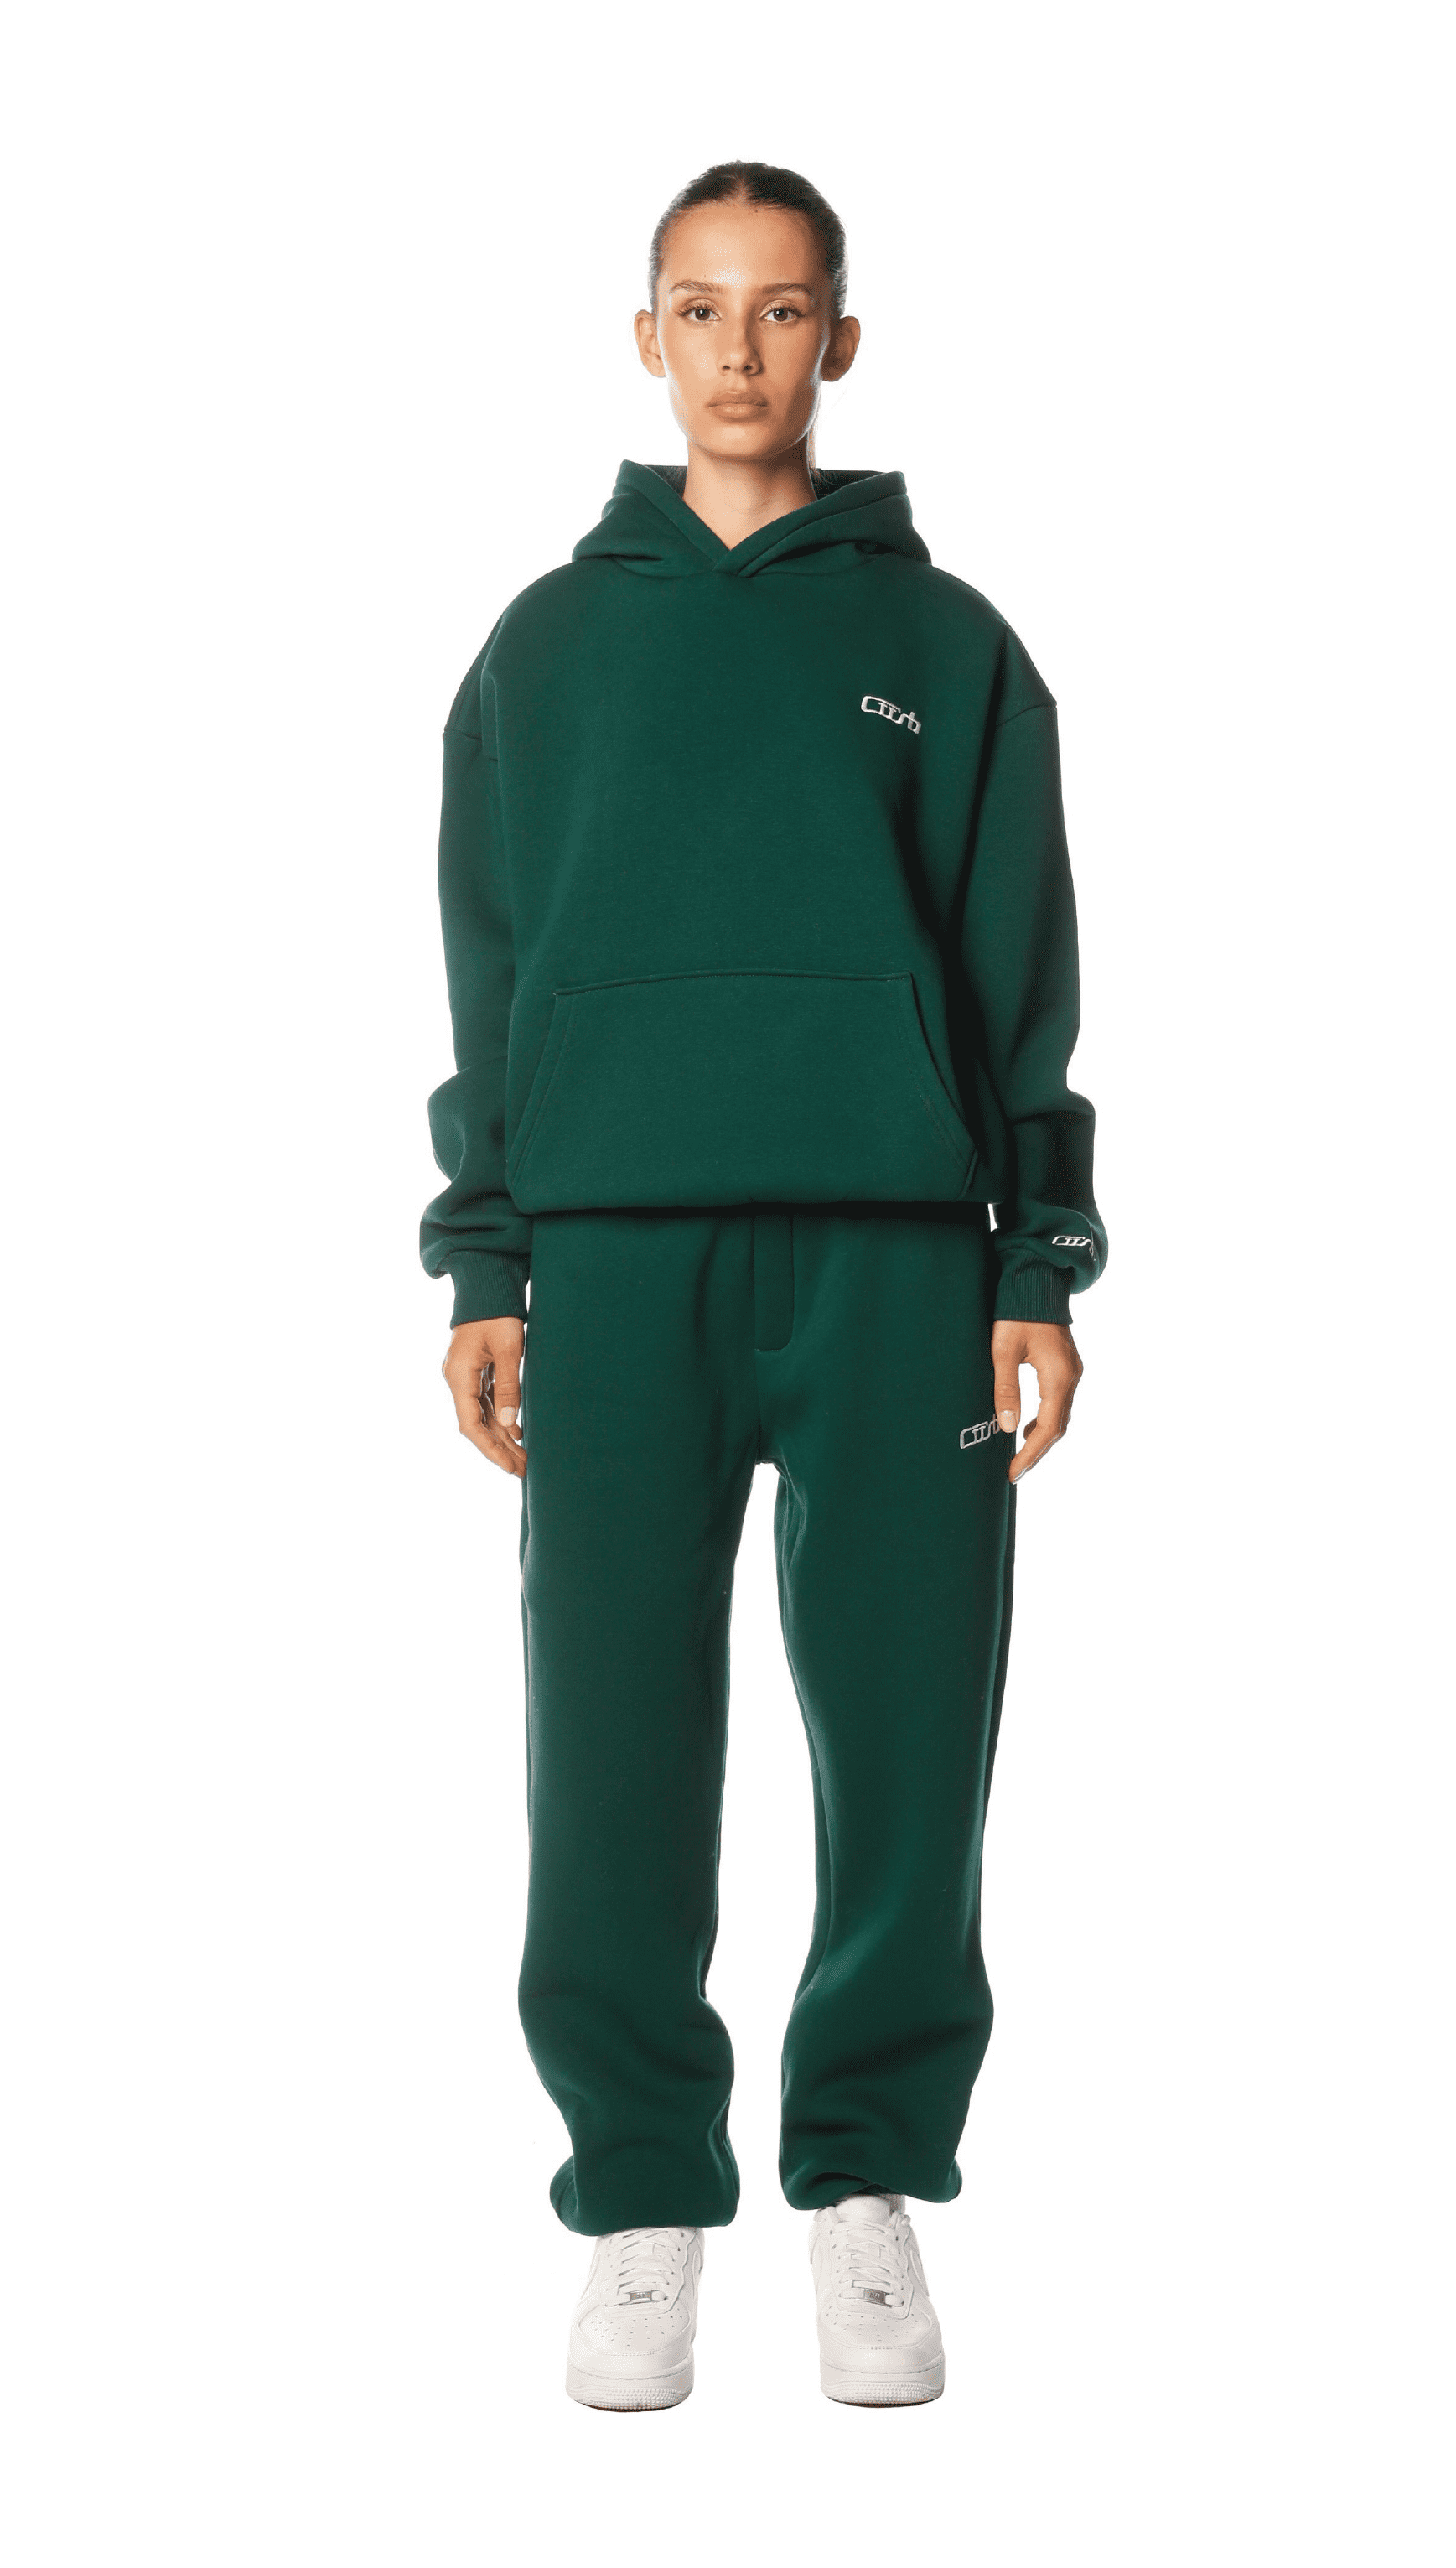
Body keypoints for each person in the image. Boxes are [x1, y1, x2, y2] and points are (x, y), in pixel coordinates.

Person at [420, 160, 1103, 2410]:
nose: (739, 350)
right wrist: (487, 1254)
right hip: (618, 1253)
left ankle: (866, 2176)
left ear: (841, 340)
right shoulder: (545, 647)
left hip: (898, 1251)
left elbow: (1016, 974)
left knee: (906, 1731)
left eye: (782, 308)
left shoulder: (947, 646)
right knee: (611, 1733)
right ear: (645, 338)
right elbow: (494, 972)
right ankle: (640, 2189)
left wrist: (1039, 1256)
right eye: (700, 309)